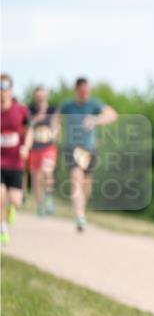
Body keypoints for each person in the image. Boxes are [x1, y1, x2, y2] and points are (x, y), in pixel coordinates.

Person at [59, 77, 118, 232]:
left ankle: (81, 211)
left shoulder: (94, 104)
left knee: (86, 185)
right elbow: (56, 117)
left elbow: (112, 115)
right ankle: (79, 216)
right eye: (82, 91)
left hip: (89, 149)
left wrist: (96, 119)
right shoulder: (68, 105)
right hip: (72, 148)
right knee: (76, 178)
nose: (85, 93)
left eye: (87, 91)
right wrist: (55, 130)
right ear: (76, 90)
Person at [1, 73, 32, 245]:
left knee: (15, 200)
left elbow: (30, 131)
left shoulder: (21, 110)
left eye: (5, 88)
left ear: (11, 90)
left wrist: (26, 146)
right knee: (0, 194)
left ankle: (11, 208)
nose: (2, 91)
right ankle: (2, 229)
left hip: (15, 162)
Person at [28, 85, 60, 216]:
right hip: (34, 148)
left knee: (48, 171)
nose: (40, 98)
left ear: (46, 96)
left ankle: (48, 197)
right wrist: (35, 119)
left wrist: (55, 133)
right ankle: (40, 205)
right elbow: (26, 126)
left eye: (42, 95)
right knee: (36, 178)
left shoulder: (52, 110)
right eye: (38, 96)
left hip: (48, 147)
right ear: (35, 97)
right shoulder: (30, 110)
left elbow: (57, 126)